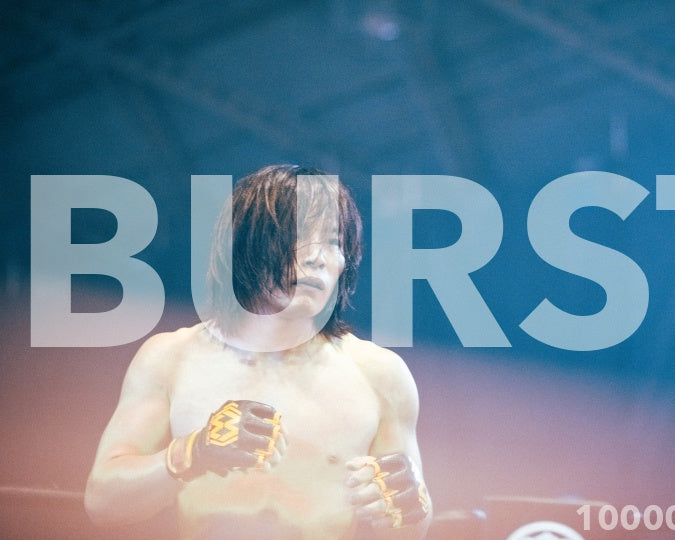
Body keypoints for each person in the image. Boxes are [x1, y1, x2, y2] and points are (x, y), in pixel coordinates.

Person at [84, 165, 432, 539]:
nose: (317, 258)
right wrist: (192, 453)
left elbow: (410, 530)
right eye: (299, 237)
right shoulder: (170, 357)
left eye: (332, 242)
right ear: (248, 244)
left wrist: (409, 505)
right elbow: (102, 503)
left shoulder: (380, 374)